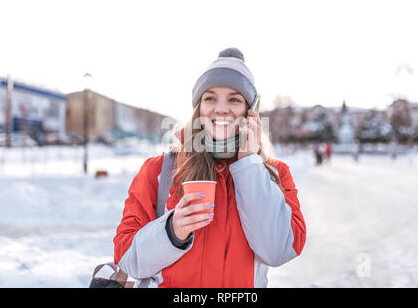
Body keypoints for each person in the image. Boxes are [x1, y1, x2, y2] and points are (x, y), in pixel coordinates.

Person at [113, 47, 306, 288]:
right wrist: (171, 232)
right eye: (210, 98)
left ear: (250, 111)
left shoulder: (275, 173)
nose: (221, 108)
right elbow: (127, 259)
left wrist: (249, 164)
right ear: (198, 109)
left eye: (234, 99)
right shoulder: (159, 171)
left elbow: (278, 250)